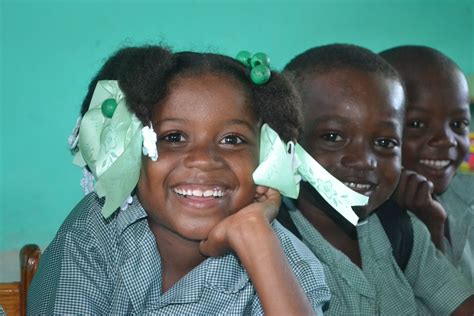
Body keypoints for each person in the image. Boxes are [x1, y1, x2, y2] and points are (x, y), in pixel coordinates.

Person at [28, 45, 330, 314]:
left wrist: (254, 236)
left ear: (266, 158)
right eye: (173, 137)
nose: (203, 158)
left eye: (232, 139)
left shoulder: (290, 270)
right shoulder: (96, 232)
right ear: (131, 153)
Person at [281, 43, 474, 314]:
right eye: (334, 137)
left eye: (384, 142)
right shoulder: (273, 247)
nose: (365, 160)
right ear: (286, 142)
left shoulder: (399, 228)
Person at [380, 45, 474, 285]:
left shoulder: (467, 195)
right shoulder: (366, 223)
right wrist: (432, 229)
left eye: (459, 124)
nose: (446, 140)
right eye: (417, 124)